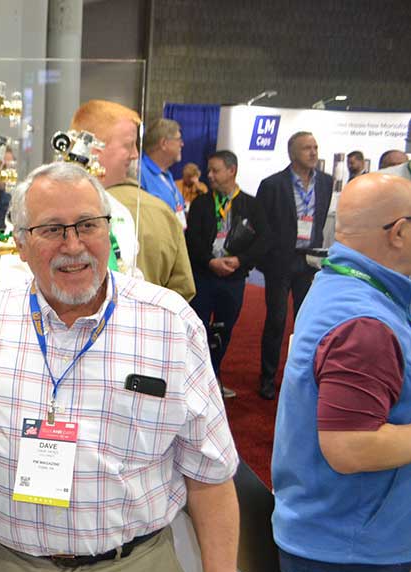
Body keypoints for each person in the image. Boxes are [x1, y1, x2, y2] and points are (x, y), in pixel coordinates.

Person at [0, 161, 241, 572]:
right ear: (20, 244)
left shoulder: (169, 323)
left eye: (88, 225)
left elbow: (210, 473)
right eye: (51, 230)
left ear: (108, 230)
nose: (73, 245)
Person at [271, 173, 411, 572]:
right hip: (348, 545)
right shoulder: (365, 322)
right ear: (398, 232)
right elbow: (350, 446)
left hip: (336, 531)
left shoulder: (343, 286)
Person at [71, 100, 194, 300]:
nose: (136, 154)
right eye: (129, 145)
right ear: (94, 148)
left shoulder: (120, 214)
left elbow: (129, 277)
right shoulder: (41, 210)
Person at [184, 150, 270, 399]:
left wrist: (240, 260)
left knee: (224, 328)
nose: (209, 175)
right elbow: (192, 241)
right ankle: (196, 379)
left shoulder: (251, 205)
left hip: (234, 278)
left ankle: (215, 375)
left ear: (231, 171)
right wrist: (210, 261)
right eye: (208, 170)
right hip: (204, 276)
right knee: (198, 327)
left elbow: (264, 239)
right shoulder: (201, 203)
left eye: (215, 170)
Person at [256, 131, 333, 399]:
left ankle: (301, 378)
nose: (313, 152)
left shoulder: (325, 182)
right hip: (280, 262)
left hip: (310, 260)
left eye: (315, 147)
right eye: (306, 148)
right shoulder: (272, 184)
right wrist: (266, 262)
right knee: (276, 321)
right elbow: (261, 227)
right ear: (292, 153)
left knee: (307, 321)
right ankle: (267, 378)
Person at [139, 117, 188, 225]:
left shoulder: (166, 174)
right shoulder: (139, 173)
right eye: (178, 139)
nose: (182, 144)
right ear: (164, 143)